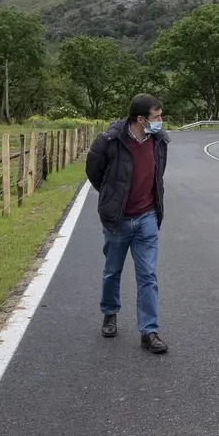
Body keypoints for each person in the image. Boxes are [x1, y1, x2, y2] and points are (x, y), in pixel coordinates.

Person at [85, 93, 170, 353]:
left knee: (148, 276)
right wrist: (112, 198)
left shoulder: (159, 140)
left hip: (147, 217)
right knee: (113, 270)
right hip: (118, 220)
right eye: (156, 117)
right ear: (141, 119)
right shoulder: (109, 141)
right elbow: (94, 171)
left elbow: (158, 174)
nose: (161, 121)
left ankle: (149, 331)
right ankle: (110, 313)